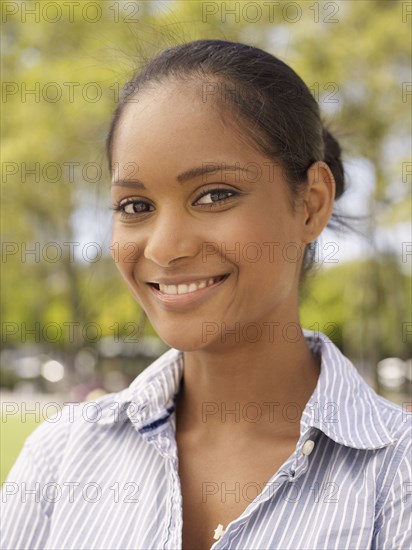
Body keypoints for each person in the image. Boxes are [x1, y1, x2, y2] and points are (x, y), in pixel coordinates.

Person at [1, 39, 410, 550]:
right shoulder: (62, 456)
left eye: (214, 195)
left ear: (310, 204)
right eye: (134, 205)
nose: (166, 248)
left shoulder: (397, 477)